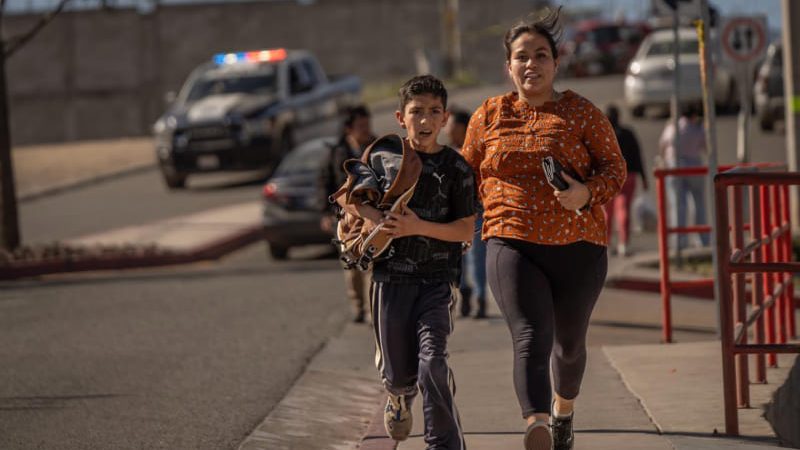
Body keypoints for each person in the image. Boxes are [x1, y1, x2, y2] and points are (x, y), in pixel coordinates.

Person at [460, 8, 626, 450]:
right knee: (531, 336)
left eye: (540, 55)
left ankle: (562, 410)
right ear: (508, 67)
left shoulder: (581, 112)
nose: (530, 64)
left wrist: (585, 193)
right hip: (510, 239)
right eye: (521, 56)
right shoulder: (488, 115)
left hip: (579, 246)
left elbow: (615, 169)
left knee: (568, 347)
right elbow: (462, 176)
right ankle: (535, 423)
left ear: (555, 63)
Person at [338, 75, 476, 447]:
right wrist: (376, 218)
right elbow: (350, 197)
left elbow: (466, 229)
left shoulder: (457, 168)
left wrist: (418, 227)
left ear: (445, 118)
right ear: (401, 117)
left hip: (437, 282)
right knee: (399, 374)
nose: (425, 120)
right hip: (389, 281)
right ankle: (399, 397)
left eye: (434, 111)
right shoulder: (383, 155)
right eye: (417, 112)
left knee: (433, 363)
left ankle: (442, 442)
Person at [321, 105, 376, 323]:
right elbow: (325, 183)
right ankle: (358, 306)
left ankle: (372, 309)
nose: (366, 129)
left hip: (371, 216)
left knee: (370, 263)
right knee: (351, 265)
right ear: (349, 129)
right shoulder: (337, 152)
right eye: (361, 126)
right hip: (344, 217)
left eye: (367, 125)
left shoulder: (377, 148)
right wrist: (326, 213)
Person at [449, 108, 488, 319]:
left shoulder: (476, 152)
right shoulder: (447, 153)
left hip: (475, 215)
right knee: (459, 260)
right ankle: (464, 295)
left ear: (463, 127)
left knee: (476, 259)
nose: (447, 129)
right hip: (454, 216)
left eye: (451, 125)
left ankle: (481, 300)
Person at [658, 103, 709, 250]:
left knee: (678, 205)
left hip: (675, 165)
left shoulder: (673, 126)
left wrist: (663, 160)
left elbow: (663, 144)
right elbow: (705, 146)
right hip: (694, 165)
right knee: (698, 203)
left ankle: (679, 240)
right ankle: (702, 238)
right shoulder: (698, 128)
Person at [603, 104, 648, 257]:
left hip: (608, 177)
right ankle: (623, 244)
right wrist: (644, 177)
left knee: (607, 212)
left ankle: (607, 244)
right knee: (624, 210)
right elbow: (637, 156)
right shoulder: (628, 134)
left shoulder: (604, 134)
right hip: (628, 175)